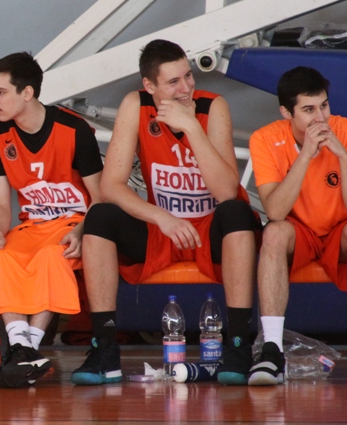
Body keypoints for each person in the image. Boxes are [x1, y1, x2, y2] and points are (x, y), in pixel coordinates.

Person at [74, 39, 260, 386]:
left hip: (210, 229)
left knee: (236, 211)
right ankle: (104, 348)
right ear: (150, 86)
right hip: (164, 228)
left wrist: (191, 127)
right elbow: (111, 186)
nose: (186, 87)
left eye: (188, 76)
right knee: (99, 216)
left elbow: (225, 191)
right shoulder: (136, 105)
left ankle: (237, 345)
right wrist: (161, 217)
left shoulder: (212, 106)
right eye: (173, 82)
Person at [248, 66, 347, 386]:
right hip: (300, 229)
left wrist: (342, 157)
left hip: (343, 227)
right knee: (273, 232)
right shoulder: (265, 138)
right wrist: (305, 156)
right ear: (287, 112)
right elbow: (275, 211)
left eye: (324, 106)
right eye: (309, 109)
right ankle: (271, 351)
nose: (320, 117)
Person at [0, 52, 103, 388]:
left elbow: (100, 197)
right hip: (31, 225)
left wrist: (83, 231)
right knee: (3, 257)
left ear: (27, 93)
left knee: (51, 257)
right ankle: (26, 353)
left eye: (0, 92)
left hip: (73, 224)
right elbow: (0, 202)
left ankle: (24, 351)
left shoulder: (74, 130)